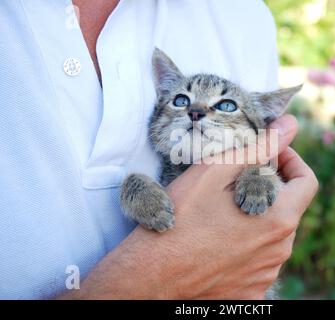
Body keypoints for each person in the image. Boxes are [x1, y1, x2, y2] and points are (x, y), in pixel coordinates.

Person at [0, 0, 318, 299]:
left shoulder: (243, 15)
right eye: (182, 101)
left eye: (225, 105)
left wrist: (259, 175)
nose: (197, 112)